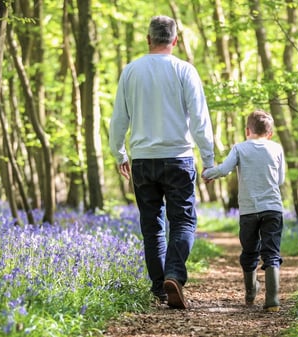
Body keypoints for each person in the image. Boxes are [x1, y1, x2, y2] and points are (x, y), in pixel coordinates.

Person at [108, 15, 215, 309]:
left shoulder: (131, 71)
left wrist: (119, 153)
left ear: (148, 39)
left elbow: (119, 118)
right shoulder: (185, 71)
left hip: (142, 160)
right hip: (178, 158)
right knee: (183, 221)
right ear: (175, 40)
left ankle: (159, 289)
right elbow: (200, 120)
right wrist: (209, 159)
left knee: (152, 226)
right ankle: (174, 276)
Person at [202, 110, 285, 312]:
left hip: (248, 210)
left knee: (249, 251)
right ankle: (272, 300)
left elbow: (224, 170)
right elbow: (280, 180)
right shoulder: (277, 149)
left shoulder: (240, 148)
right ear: (270, 133)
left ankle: (250, 292)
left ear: (247, 130)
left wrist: (207, 173)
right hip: (273, 208)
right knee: (271, 252)